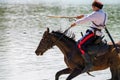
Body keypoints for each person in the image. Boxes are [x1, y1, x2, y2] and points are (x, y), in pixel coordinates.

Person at [70, 0, 107, 73]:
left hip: (92, 33)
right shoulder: (104, 13)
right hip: (98, 33)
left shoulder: (96, 14)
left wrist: (75, 23)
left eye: (93, 7)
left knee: (80, 45)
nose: (92, 8)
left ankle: (88, 63)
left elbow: (87, 19)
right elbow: (91, 16)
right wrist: (82, 16)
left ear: (96, 7)